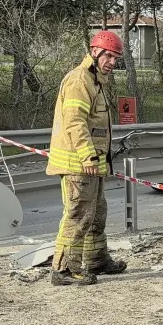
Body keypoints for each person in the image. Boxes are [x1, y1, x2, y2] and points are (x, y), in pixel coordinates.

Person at [46, 31, 128, 286]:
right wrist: (89, 157)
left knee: (96, 212)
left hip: (92, 163)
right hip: (79, 164)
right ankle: (63, 270)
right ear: (95, 52)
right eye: (109, 56)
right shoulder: (80, 80)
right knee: (79, 215)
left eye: (116, 58)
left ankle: (96, 260)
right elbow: (75, 122)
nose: (113, 63)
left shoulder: (95, 81)